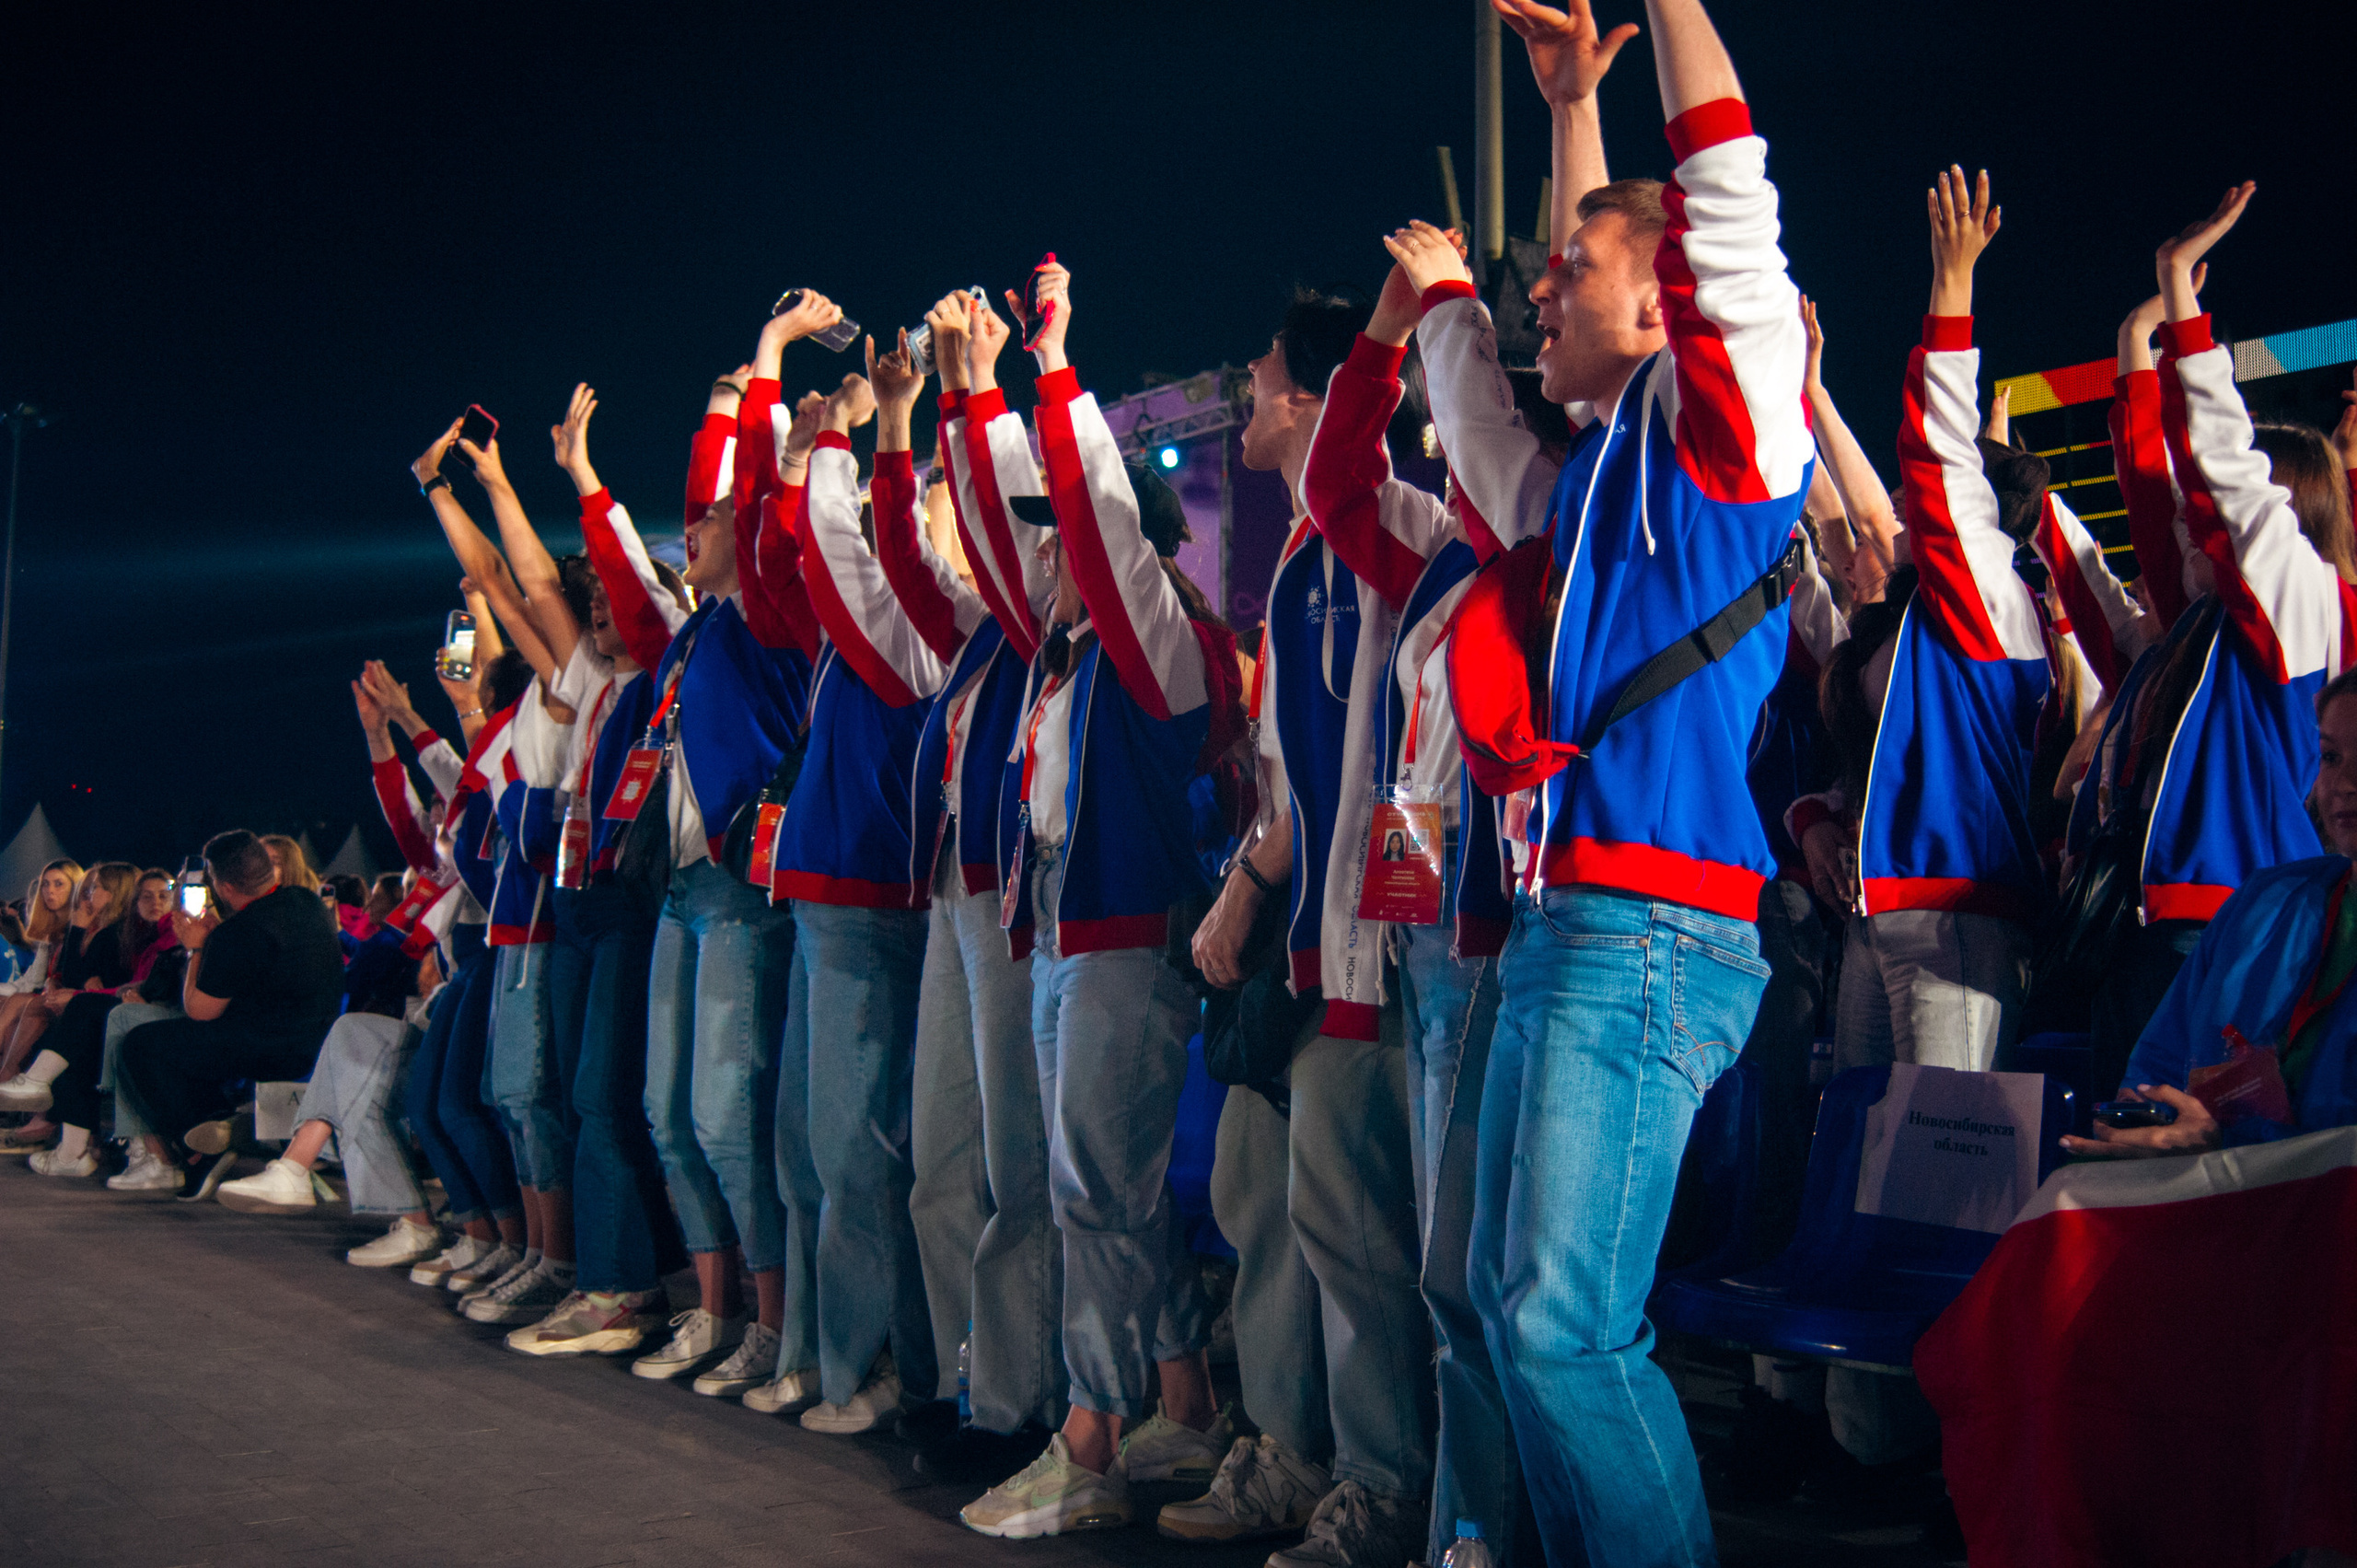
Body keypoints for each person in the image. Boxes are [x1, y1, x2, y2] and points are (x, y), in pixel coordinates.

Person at [1399, 0, 1810, 1553]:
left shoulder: (1728, 444)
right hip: (1580, 923)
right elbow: (1523, 380)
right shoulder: (1606, 481)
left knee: (1562, 1325)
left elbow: (1722, 214)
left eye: (1573, 275)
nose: (1538, 289)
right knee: (1514, 1316)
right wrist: (1577, 104)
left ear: (1669, 310)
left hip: (1648, 930)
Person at [958, 261, 1242, 1539]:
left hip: (1130, 941)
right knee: (1105, 1188)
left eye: (1064, 534)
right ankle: (1183, 1397)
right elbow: (998, 531)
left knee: (1094, 1190)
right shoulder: (1068, 647)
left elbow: (1094, 530)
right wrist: (974, 396)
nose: (1042, 553)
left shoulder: (1166, 645)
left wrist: (1056, 360)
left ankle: (1091, 1438)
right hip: (1071, 929)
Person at [561, 293, 820, 1393]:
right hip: (677, 896)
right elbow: (626, 572)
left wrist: (763, 362)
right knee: (671, 1113)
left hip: (737, 895)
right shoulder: (694, 633)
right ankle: (716, 1314)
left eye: (709, 518)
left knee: (725, 1112)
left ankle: (772, 1322)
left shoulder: (765, 622)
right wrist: (581, 479)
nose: (696, 525)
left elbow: (751, 496)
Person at [2073, 184, 2355, 1097]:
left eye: (2226, 504)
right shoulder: (2210, 617)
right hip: (2152, 913)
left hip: (2229, 912)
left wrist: (2180, 301)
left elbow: (2222, 478)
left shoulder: (2303, 599)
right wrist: (2136, 341)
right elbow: (2156, 497)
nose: (2198, 513)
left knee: (2186, 1164)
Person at [772, 340, 966, 1434]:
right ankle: (824, 1350)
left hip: (868, 905)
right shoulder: (866, 638)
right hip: (827, 898)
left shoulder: (916, 641)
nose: (923, 517)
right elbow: (797, 556)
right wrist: (808, 440)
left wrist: (858, 428)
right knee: (820, 1146)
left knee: (860, 1152)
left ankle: (881, 1365)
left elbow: (840, 548)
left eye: (936, 512)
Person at [505, 386, 699, 1360]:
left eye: (611, 606)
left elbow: (611, 583)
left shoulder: (665, 662)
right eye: (596, 613)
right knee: (581, 1095)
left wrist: (580, 474)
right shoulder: (594, 684)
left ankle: (622, 1285)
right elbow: (540, 597)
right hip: (576, 903)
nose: (602, 619)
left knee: (601, 1096)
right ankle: (603, 1275)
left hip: (629, 904)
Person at [2060, 664, 2357, 1161]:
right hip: (2211, 1207)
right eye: (2331, 757)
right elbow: (2157, 1067)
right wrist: (2147, 1125)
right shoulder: (2264, 900)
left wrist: (2230, 1147)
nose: (2345, 783)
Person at [113, 830, 346, 1195]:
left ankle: (204, 1139)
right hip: (320, 1039)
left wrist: (196, 949)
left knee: (141, 1045)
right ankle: (218, 1129)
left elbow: (199, 1010)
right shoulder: (308, 903)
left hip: (267, 1047)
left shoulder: (238, 932)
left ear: (223, 887)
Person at [0, 864, 161, 1177]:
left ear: (116, 893)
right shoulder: (102, 930)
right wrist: (68, 987)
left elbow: (92, 983)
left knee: (66, 1027)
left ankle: (61, 1136)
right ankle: (68, 1147)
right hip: (96, 1015)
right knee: (66, 1033)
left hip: (115, 1018)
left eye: (94, 888)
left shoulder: (114, 934)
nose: (86, 895)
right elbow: (77, 979)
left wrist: (75, 933)